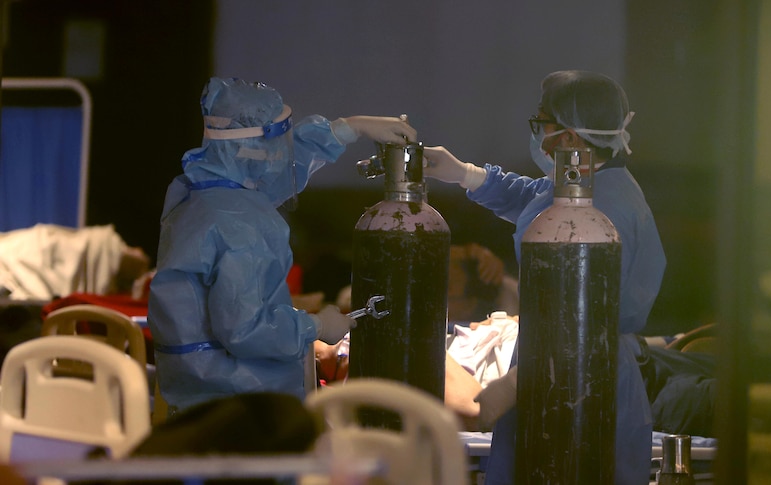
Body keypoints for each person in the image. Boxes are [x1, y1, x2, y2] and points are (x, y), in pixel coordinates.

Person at [423, 70, 666, 484]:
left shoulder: (603, 210)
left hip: (582, 371)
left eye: (542, 124)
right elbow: (532, 197)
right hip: (552, 361)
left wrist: (517, 380)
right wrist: (466, 173)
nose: (537, 135)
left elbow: (583, 318)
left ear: (569, 138)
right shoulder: (589, 184)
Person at [147, 77, 417, 415]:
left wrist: (349, 129)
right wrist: (314, 326)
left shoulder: (200, 192)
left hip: (196, 395)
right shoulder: (241, 225)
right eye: (279, 140)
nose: (284, 153)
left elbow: (275, 171)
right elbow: (245, 330)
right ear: (255, 148)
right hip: (238, 405)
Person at [0, 223, 151, 301]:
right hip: (25, 253)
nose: (138, 252)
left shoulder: (105, 244)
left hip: (32, 246)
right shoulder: (104, 245)